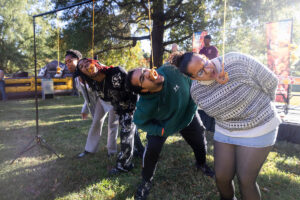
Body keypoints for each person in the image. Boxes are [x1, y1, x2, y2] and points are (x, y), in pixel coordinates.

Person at [170, 51, 281, 200]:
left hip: (259, 125)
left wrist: (261, 105)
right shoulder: (196, 91)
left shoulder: (235, 60)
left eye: (205, 62)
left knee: (245, 180)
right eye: (201, 72)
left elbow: (270, 81)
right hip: (226, 130)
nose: (209, 70)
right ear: (193, 78)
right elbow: (215, 112)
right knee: (221, 178)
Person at [126, 65, 214, 200]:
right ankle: (146, 181)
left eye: (145, 70)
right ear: (143, 89)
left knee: (199, 140)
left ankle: (201, 164)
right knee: (152, 150)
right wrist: (159, 130)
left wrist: (191, 111)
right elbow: (139, 121)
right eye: (143, 78)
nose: (149, 73)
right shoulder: (144, 105)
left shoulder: (171, 70)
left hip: (187, 115)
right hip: (163, 124)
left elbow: (192, 85)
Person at [74, 58, 144, 175]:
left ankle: (124, 165)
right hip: (121, 108)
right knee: (130, 129)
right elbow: (110, 99)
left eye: (87, 62)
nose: (86, 65)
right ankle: (139, 151)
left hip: (134, 105)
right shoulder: (96, 84)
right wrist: (117, 109)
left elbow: (133, 88)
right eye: (81, 66)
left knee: (126, 131)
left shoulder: (116, 72)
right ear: (83, 74)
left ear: (95, 63)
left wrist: (133, 108)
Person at [65, 49, 119, 158]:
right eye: (66, 62)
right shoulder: (77, 79)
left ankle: (111, 152)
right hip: (101, 99)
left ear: (78, 60)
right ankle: (89, 150)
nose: (68, 64)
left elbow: (108, 76)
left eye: (70, 61)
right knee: (96, 122)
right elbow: (88, 96)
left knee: (113, 124)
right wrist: (84, 109)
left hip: (113, 96)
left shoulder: (91, 68)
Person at [198, 35, 218, 133]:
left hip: (213, 76)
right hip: (203, 77)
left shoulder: (213, 49)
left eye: (207, 39)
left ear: (209, 40)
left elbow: (215, 61)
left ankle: (213, 125)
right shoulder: (201, 50)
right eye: (204, 39)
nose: (205, 41)